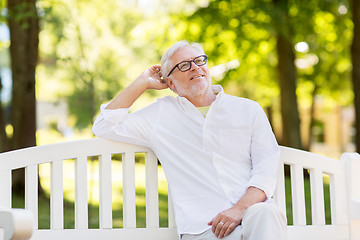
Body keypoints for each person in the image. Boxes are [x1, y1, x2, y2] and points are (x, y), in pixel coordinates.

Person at [92, 40, 287, 240]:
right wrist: (142, 82)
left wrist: (239, 209)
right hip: (205, 228)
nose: (195, 67)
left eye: (199, 61)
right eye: (184, 65)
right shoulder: (161, 115)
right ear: (170, 83)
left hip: (254, 216)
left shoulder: (248, 109)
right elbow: (104, 126)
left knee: (266, 212)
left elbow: (266, 166)